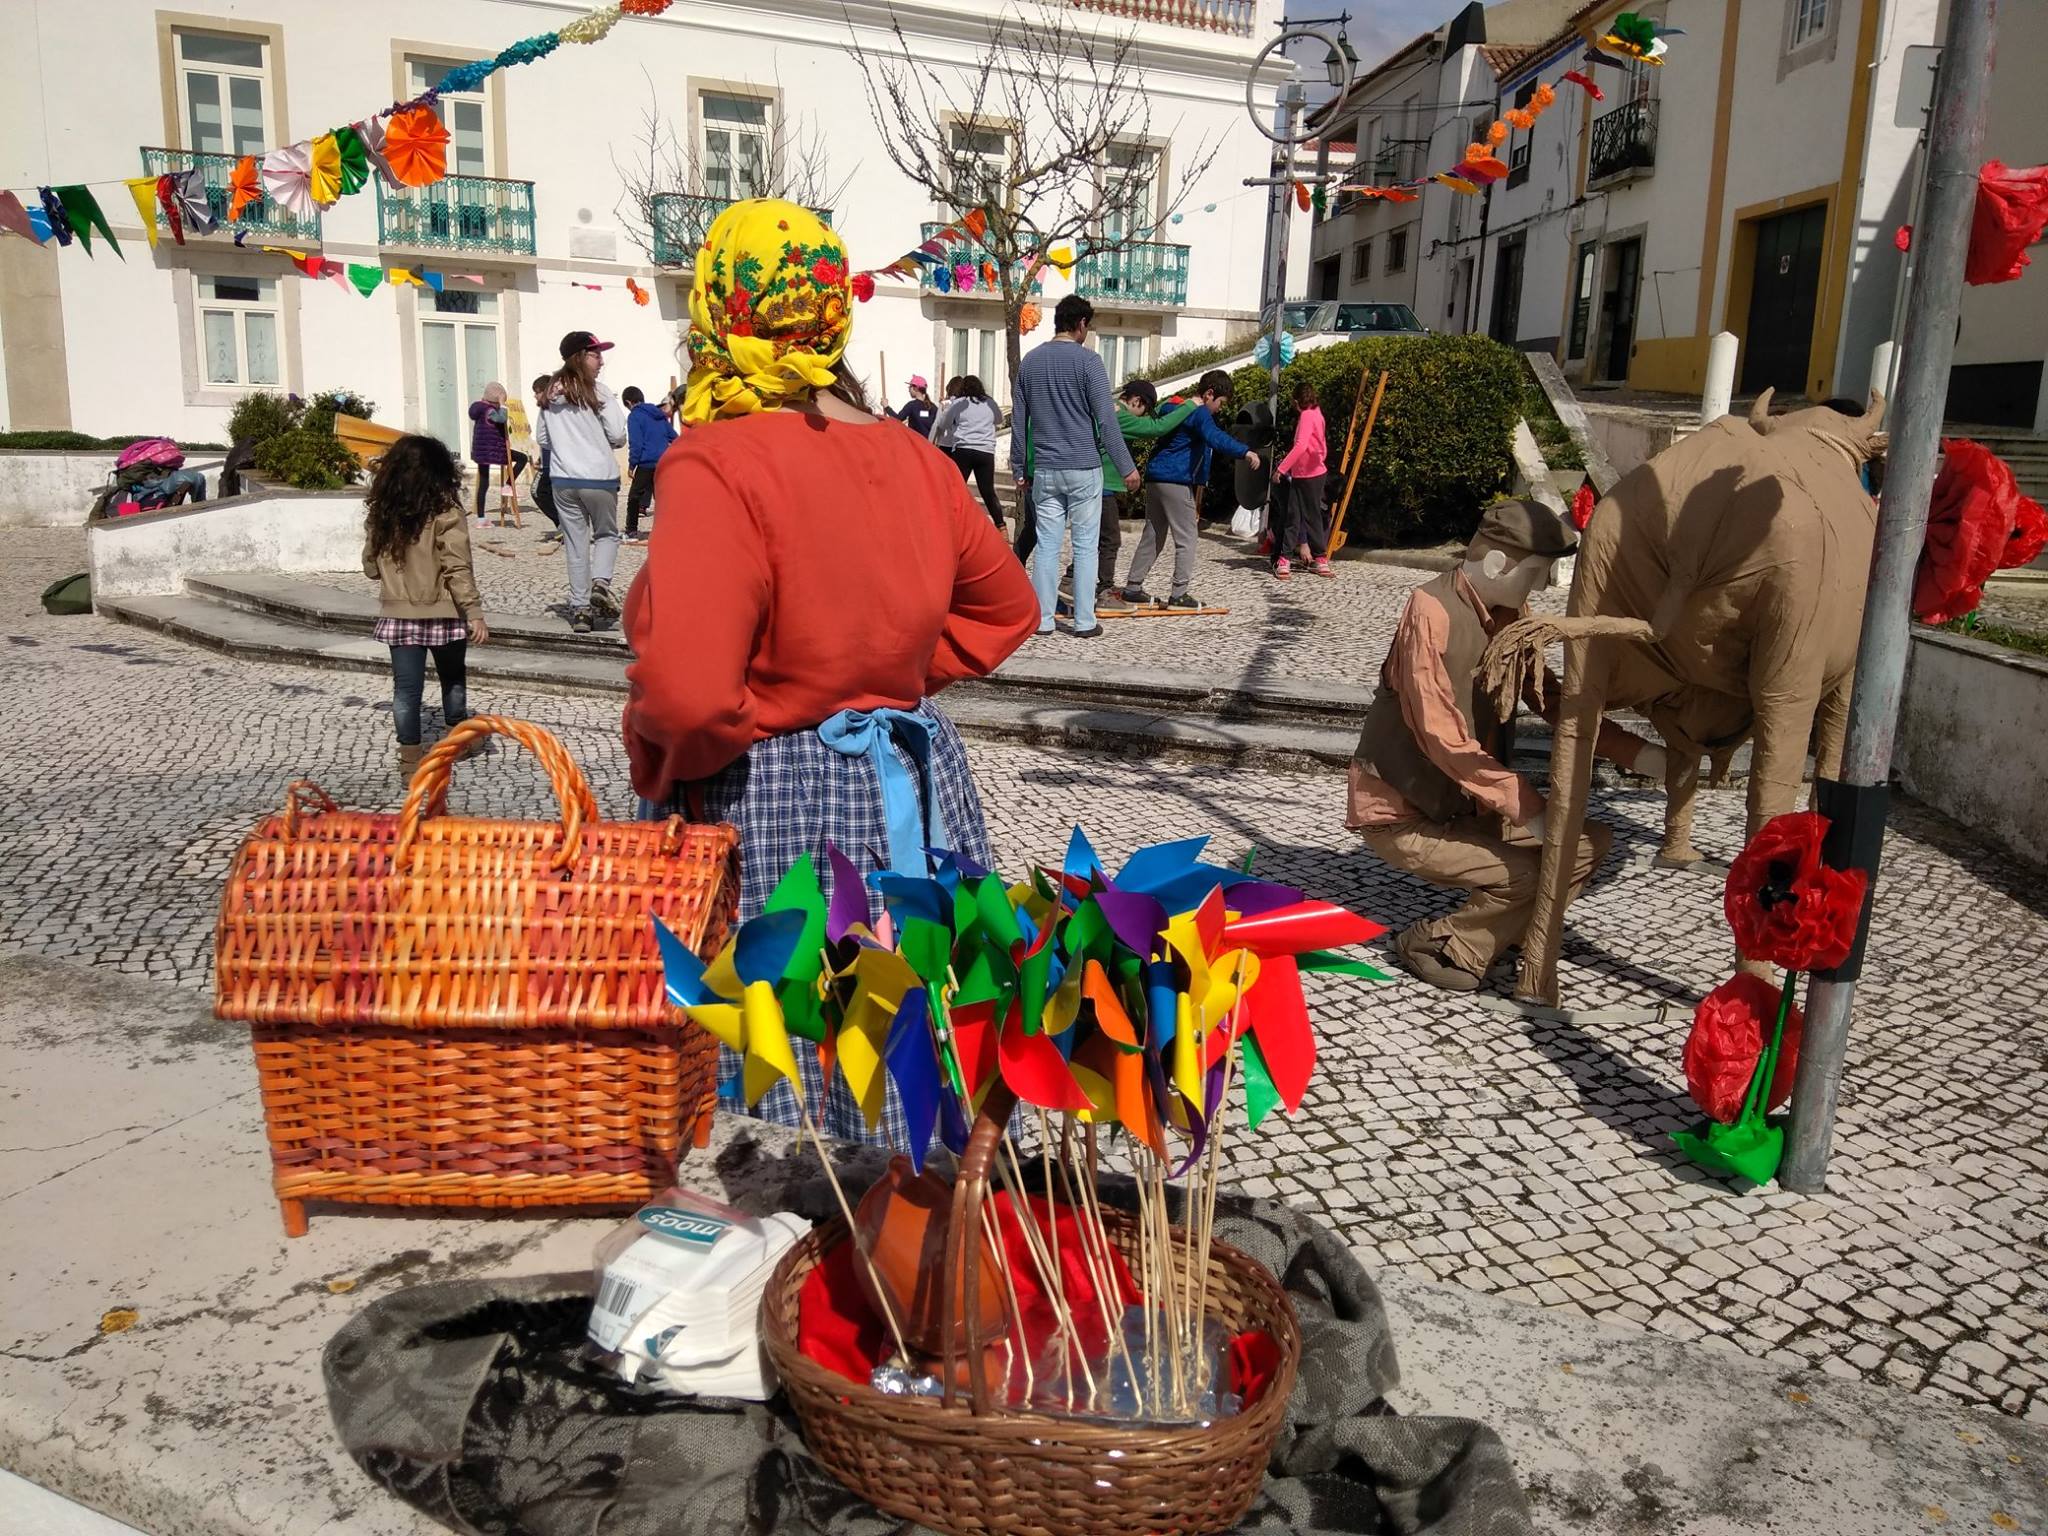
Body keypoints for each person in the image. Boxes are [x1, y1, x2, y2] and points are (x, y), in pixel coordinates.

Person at [625, 198, 1037, 1147]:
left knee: (787, 1053)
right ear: (831, 315)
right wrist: (884, 675)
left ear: (722, 311)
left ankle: (796, 1257)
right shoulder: (916, 457)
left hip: (769, 799)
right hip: (913, 784)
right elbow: (1008, 608)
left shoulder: (714, 462)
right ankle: (919, 1233)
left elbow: (688, 694)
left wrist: (776, 701)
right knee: (912, 1018)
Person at [1346, 499, 1663, 993]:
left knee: (1587, 844)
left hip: (1471, 809)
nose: (1540, 586)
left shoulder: (1512, 616)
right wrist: (1527, 806)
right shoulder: (1428, 611)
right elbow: (1439, 733)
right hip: (1402, 813)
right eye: (1536, 572)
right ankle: (1439, 941)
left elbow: (1550, 698)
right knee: (1525, 874)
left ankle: (1507, 930)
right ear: (1497, 563)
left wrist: (1639, 754)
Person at [359, 434, 490, 777]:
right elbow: (456, 564)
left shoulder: (383, 512)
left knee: (405, 690)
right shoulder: (445, 509)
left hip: (399, 614)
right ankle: (459, 738)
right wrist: (473, 611)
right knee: (452, 678)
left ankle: (409, 759)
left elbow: (370, 567)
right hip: (443, 611)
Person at [1010, 294, 1137, 638]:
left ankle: (1043, 621)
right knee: (1084, 545)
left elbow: (1020, 420)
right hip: (1083, 467)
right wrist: (1128, 468)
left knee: (1047, 545)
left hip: (1046, 470)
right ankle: (1084, 621)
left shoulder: (1031, 363)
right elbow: (1107, 421)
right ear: (1081, 324)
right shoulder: (1089, 363)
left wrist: (1019, 466)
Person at [1120, 368, 1257, 611]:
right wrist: (1244, 451)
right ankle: (1179, 594)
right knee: (1188, 537)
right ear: (1209, 394)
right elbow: (1215, 437)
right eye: (1221, 404)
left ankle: (1132, 587)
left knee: (1153, 535)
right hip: (1176, 479)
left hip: (1155, 477)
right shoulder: (1199, 412)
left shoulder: (1173, 406)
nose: (1219, 410)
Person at [1063, 379, 1199, 614]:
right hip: (1100, 486)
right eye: (1144, 409)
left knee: (1092, 538)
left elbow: (1149, 421)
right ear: (1136, 401)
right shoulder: (1120, 416)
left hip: (1091, 483)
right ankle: (1102, 592)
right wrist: (1188, 406)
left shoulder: (1109, 407)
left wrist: (1170, 403)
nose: (1142, 415)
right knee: (1110, 540)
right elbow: (1153, 428)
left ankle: (1070, 583)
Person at [535, 330, 628, 634]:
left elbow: (543, 439)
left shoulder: (549, 394)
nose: (601, 360)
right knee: (606, 535)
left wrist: (567, 442)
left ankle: (581, 611)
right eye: (595, 353)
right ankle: (600, 584)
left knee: (575, 544)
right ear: (580, 356)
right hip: (599, 477)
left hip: (563, 479)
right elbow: (616, 435)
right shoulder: (599, 391)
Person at [1270, 379, 1332, 580]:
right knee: (1313, 515)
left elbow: (1300, 445)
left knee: (1292, 517)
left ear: (1297, 402)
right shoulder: (1318, 414)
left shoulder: (1305, 416)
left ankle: (1284, 560)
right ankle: (1321, 559)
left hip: (1302, 474)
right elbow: (1320, 443)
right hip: (1317, 472)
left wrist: (1281, 468)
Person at [933, 374, 1004, 529]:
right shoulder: (990, 403)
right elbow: (999, 420)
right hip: (985, 451)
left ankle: (951, 525)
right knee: (988, 492)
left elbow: (944, 424)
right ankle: (1001, 527)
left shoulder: (959, 403)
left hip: (964, 449)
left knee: (957, 489)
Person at [623, 385, 678, 544]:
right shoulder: (659, 415)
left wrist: (632, 464)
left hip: (646, 463)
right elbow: (673, 436)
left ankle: (631, 530)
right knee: (662, 498)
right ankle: (668, 530)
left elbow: (636, 442)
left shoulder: (635, 416)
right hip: (663, 462)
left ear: (628, 402)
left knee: (634, 497)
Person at [467, 384, 528, 523]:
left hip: (482, 452)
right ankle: (507, 485)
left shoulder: (480, 409)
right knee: (522, 458)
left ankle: (481, 518)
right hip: (495, 450)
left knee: (484, 484)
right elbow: (501, 419)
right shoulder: (490, 411)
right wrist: (503, 405)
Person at [528, 375, 563, 542]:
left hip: (553, 461)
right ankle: (567, 525)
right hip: (553, 459)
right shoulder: (560, 406)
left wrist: (546, 458)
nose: (535, 396)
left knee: (537, 491)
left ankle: (564, 524)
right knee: (557, 494)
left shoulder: (548, 407)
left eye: (537, 392)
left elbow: (543, 437)